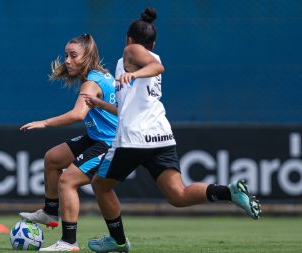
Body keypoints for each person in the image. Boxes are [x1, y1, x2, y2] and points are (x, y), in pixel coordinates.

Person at [83, 8, 262, 253]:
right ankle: (228, 193)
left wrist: (134, 73)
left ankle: (118, 241)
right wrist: (102, 104)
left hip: (134, 140)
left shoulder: (131, 52)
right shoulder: (133, 63)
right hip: (161, 136)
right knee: (178, 195)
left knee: (100, 186)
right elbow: (129, 106)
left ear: (129, 39)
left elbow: (157, 67)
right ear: (154, 42)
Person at [19, 33, 119, 251]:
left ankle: (69, 242)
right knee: (53, 158)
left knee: (67, 181)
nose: (67, 60)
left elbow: (77, 115)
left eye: (73, 56)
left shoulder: (91, 83)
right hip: (95, 137)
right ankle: (50, 212)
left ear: (87, 56)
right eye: (66, 55)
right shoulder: (96, 76)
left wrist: (45, 122)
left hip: (109, 143)